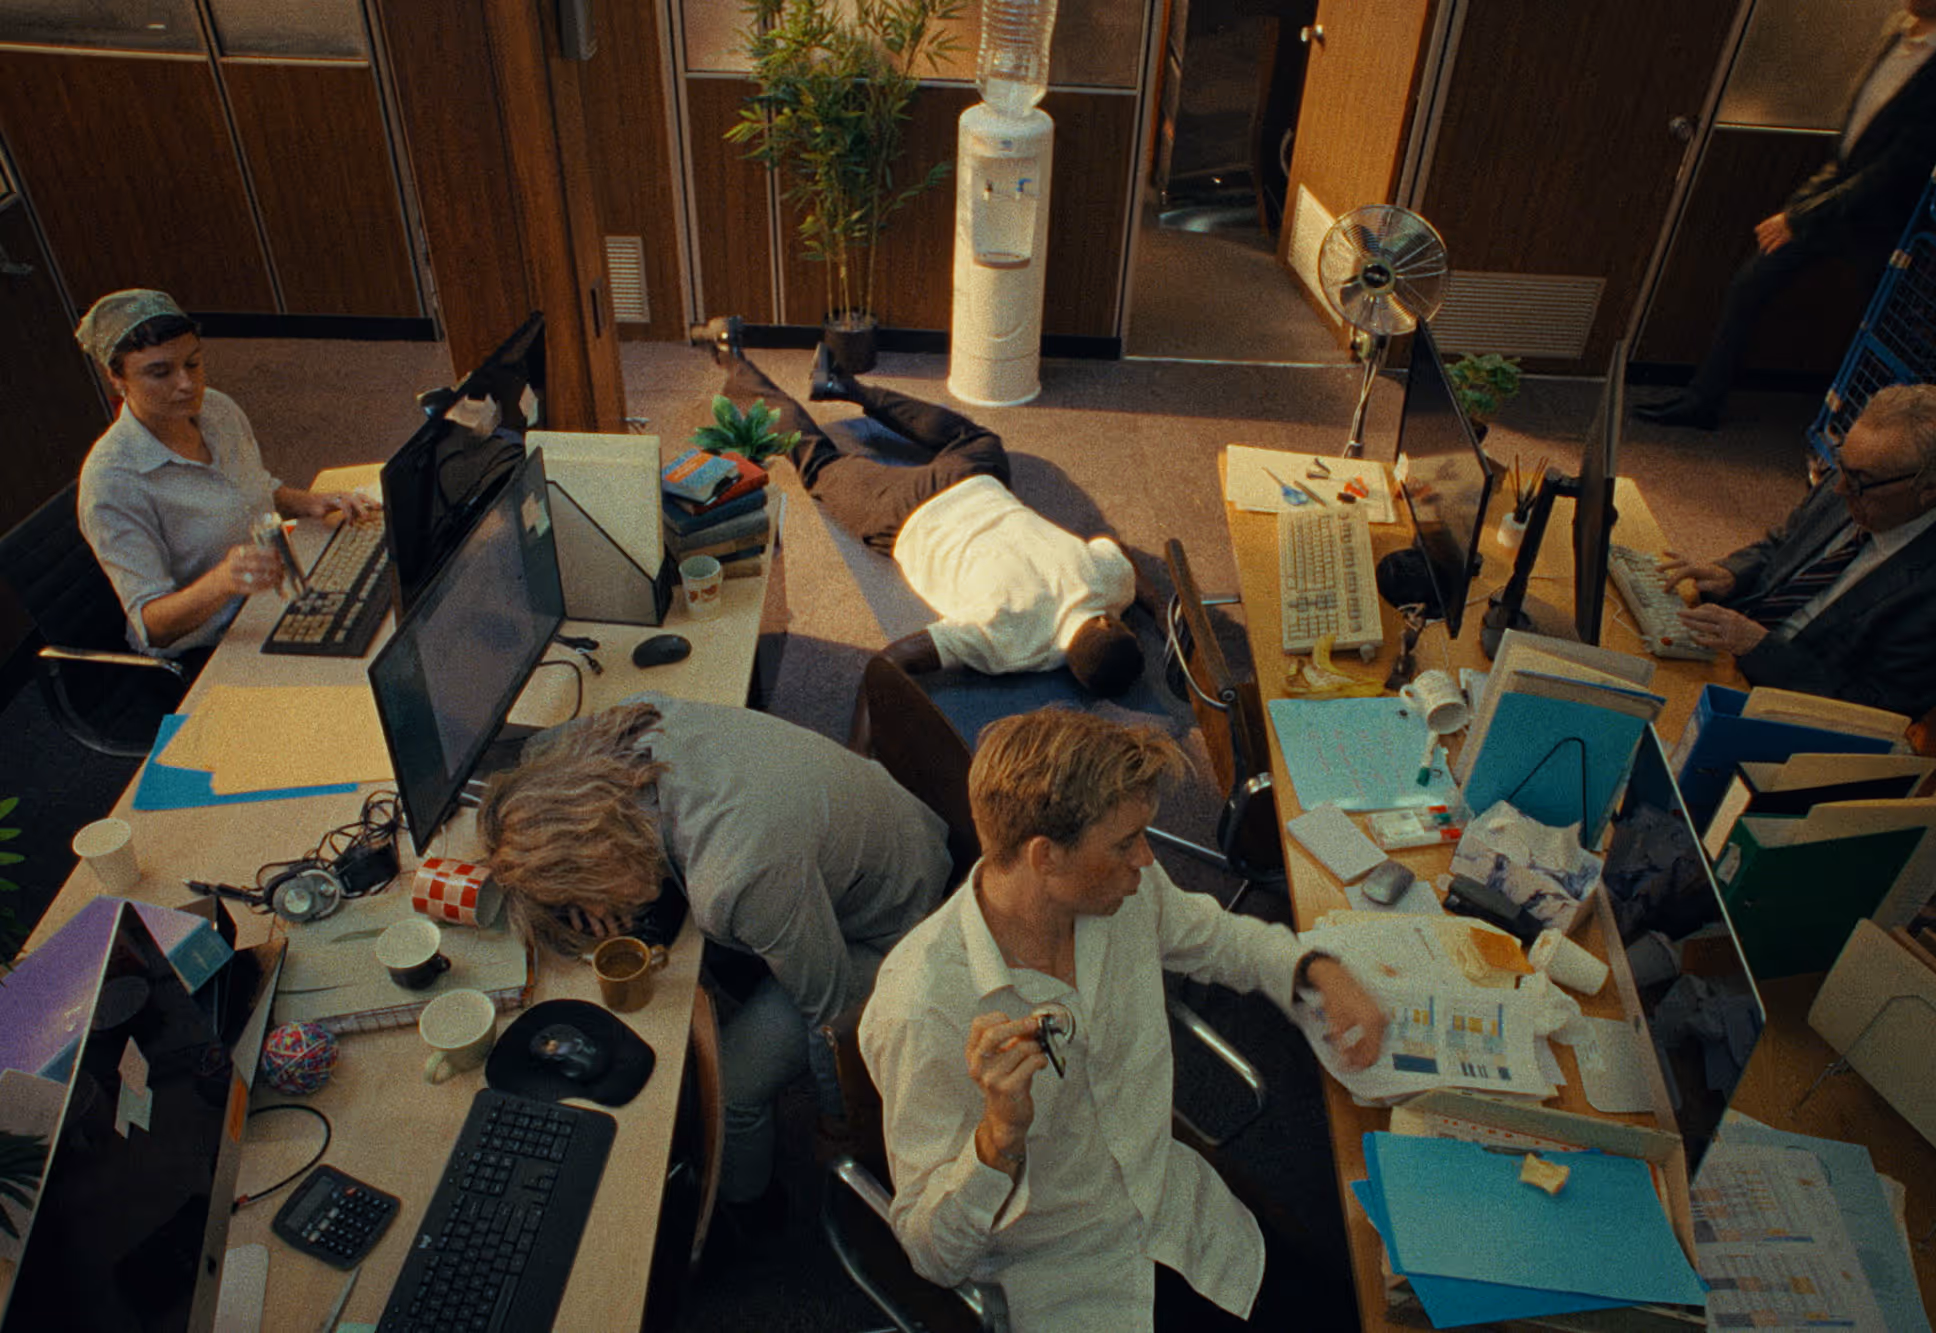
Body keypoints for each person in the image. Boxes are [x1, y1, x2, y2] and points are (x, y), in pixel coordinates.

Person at [860, 707, 1387, 1331]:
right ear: (1045, 858)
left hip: (1183, 1218)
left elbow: (1218, 940)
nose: (1146, 859)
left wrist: (1314, 968)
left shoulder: (1122, 889)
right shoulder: (922, 1008)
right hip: (1073, 1283)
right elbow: (930, 1254)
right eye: (1124, 844)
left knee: (1358, 1312)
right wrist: (997, 1139)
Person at [476, 692, 954, 1224]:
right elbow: (536, 748)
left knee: (732, 1088)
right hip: (877, 829)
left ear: (594, 858)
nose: (589, 912)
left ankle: (751, 1215)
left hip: (902, 928)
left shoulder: (737, 879)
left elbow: (831, 1015)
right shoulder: (635, 726)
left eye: (580, 897)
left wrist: (839, 1120)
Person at [692, 317, 1155, 695]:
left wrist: (1160, 606)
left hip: (974, 481)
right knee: (817, 464)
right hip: (904, 514)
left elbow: (1117, 549)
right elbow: (895, 660)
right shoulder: (1009, 643)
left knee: (975, 438)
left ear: (1113, 623)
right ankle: (733, 357)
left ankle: (844, 384)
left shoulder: (1110, 583)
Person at [1637, 1, 1936, 430]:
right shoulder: (1901, 32)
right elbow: (1854, 140)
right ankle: (1702, 400)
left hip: (1885, 217)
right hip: (1838, 199)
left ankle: (1884, 437)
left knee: (1887, 330)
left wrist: (1801, 217)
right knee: (1753, 283)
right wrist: (1799, 208)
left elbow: (1899, 166)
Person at [1662, 383, 1936, 718]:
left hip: (1777, 709)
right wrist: (1732, 573)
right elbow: (1782, 545)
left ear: (1929, 488)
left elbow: (1871, 710)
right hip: (1730, 651)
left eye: (1858, 479)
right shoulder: (1858, 484)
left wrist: (1759, 649)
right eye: (1842, 465)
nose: (1838, 488)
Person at [74, 288, 377, 654]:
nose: (186, 384)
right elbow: (151, 625)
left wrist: (306, 502)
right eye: (160, 373)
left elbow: (248, 488)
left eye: (193, 363)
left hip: (264, 603)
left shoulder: (216, 408)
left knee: (378, 613)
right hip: (207, 645)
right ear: (116, 378)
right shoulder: (111, 481)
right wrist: (223, 581)